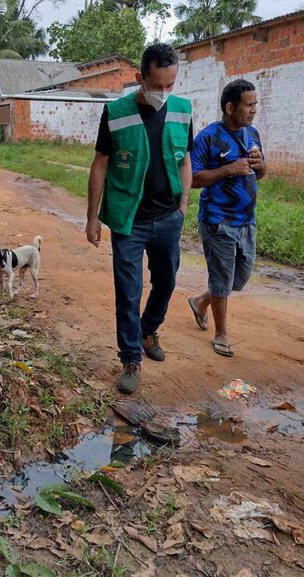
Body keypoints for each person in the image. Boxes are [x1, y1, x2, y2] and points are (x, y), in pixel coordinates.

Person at [85, 43, 193, 393]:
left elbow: (186, 160)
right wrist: (92, 218)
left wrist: (184, 205)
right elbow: (100, 164)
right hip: (128, 221)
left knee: (167, 282)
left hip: (168, 217)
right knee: (128, 292)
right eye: (157, 84)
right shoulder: (116, 113)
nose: (164, 92)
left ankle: (148, 330)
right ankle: (131, 357)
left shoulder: (182, 110)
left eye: (170, 85)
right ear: (139, 79)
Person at [187, 79, 266, 357]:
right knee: (222, 279)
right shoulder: (208, 138)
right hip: (217, 221)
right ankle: (221, 334)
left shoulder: (253, 134)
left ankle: (201, 301)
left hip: (246, 222)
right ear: (230, 107)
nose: (254, 110)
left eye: (255, 104)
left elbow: (261, 173)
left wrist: (261, 165)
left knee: (238, 279)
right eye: (249, 105)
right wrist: (229, 169)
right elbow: (193, 178)